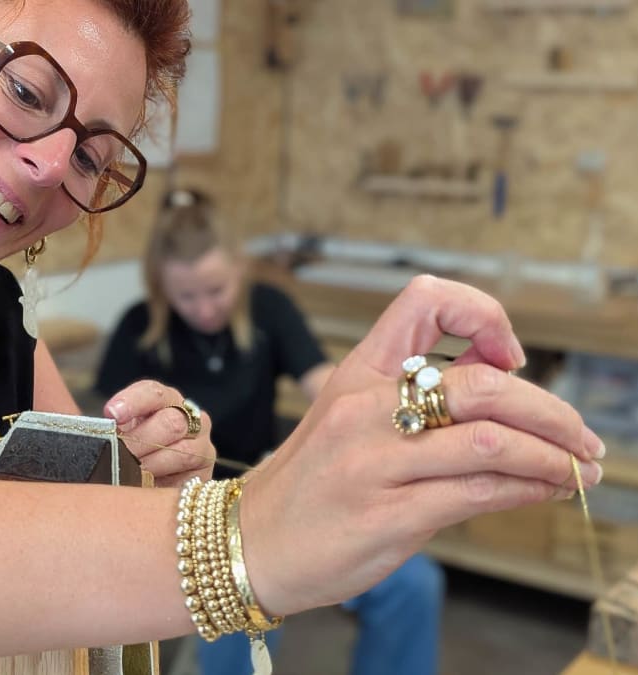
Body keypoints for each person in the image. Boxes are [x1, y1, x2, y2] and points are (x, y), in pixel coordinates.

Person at [0, 1, 605, 673]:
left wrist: (153, 488)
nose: (53, 165)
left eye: (91, 156)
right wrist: (239, 529)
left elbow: (84, 607)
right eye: (25, 91)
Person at [94, 188, 444, 675]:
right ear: (161, 288)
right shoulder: (137, 328)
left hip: (270, 489)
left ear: (239, 268)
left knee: (413, 584)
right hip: (184, 512)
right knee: (237, 596)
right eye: (186, 296)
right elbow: (105, 432)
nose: (204, 309)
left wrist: (383, 407)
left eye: (215, 291)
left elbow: (329, 387)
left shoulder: (270, 309)